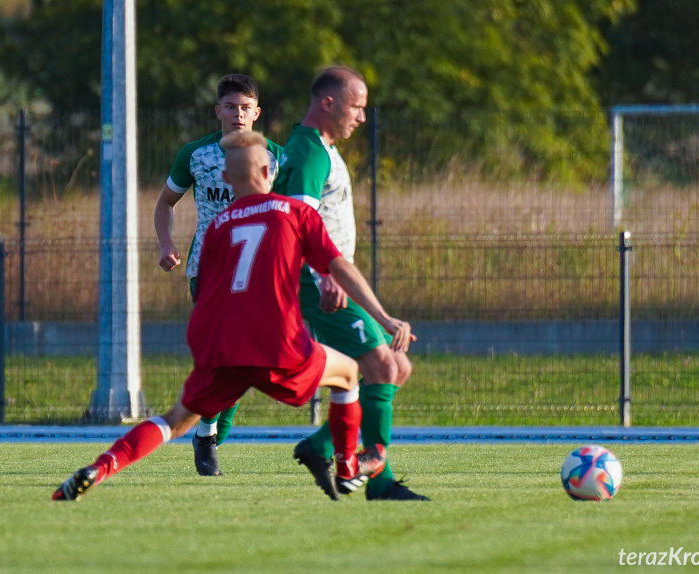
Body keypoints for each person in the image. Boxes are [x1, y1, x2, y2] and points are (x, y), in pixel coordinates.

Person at [53, 130, 416, 502]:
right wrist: (385, 318)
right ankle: (346, 469)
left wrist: (206, 351)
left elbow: (209, 295)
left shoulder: (218, 227)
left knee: (173, 421)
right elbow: (337, 267)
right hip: (278, 345)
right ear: (269, 170)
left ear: (226, 178)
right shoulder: (295, 213)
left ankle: (100, 468)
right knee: (349, 374)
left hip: (223, 347)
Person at [271, 66, 429, 501]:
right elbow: (297, 227)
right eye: (356, 106)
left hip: (334, 276)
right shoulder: (307, 153)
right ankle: (373, 468)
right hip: (320, 283)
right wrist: (323, 278)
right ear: (328, 103)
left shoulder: (323, 148)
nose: (361, 116)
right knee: (383, 366)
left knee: (397, 366)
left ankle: (322, 447)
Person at [154, 73, 282, 477]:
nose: (238, 114)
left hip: (259, 270)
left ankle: (209, 433)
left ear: (257, 112)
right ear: (218, 111)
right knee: (221, 354)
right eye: (230, 106)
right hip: (207, 269)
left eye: (246, 108)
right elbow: (165, 203)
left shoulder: (276, 155)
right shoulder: (195, 154)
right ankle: (207, 436)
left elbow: (296, 210)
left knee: (248, 361)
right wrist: (165, 243)